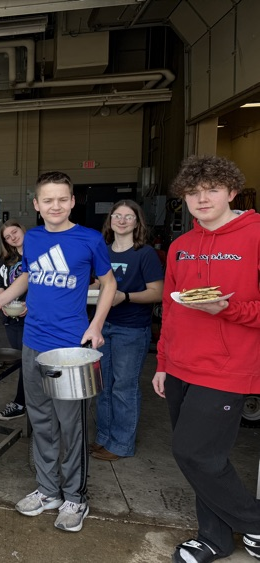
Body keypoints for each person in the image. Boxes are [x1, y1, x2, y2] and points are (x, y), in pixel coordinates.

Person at [0, 171, 116, 533]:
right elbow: (28, 275)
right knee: (39, 420)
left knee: (71, 425)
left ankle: (75, 497)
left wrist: (95, 326)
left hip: (70, 347)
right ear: (37, 205)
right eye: (47, 200)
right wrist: (0, 299)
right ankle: (49, 490)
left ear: (72, 202)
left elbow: (110, 282)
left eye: (62, 199)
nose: (55, 206)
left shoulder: (89, 240)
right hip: (33, 341)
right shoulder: (34, 238)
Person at [151, 155, 260, 563]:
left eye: (212, 189)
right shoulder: (182, 246)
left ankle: (254, 523)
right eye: (194, 192)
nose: (202, 199)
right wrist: (162, 361)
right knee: (204, 460)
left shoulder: (255, 235)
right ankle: (214, 537)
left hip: (229, 368)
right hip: (181, 366)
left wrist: (229, 311)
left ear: (232, 191)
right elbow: (172, 309)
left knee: (194, 453)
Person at [89, 200, 163, 462]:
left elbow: (158, 292)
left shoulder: (144, 254)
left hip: (131, 328)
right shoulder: (104, 251)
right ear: (110, 221)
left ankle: (121, 444)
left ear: (137, 222)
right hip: (103, 326)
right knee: (103, 386)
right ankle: (104, 438)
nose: (121, 220)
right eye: (117, 216)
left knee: (124, 387)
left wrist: (126, 296)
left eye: (128, 217)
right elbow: (99, 283)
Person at [0, 220, 28, 420]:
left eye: (14, 232)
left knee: (28, 360)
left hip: (32, 317)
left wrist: (29, 305)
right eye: (7, 236)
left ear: (22, 229)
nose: (12, 237)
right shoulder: (6, 259)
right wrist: (3, 301)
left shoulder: (37, 255)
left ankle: (21, 403)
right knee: (22, 360)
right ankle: (24, 402)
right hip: (11, 317)